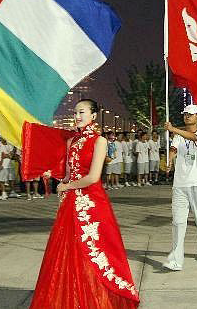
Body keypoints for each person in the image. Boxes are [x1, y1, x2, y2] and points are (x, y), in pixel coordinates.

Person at [30, 99, 139, 308]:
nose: (77, 116)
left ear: (93, 115)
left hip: (92, 202)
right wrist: (54, 176)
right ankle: (70, 296)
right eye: (75, 112)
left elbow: (93, 177)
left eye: (82, 112)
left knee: (96, 249)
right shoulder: (71, 142)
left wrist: (66, 187)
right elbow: (69, 175)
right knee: (67, 250)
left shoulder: (100, 141)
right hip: (71, 201)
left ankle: (96, 296)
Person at [163, 104, 197, 271]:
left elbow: (194, 138)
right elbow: (174, 149)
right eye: (185, 114)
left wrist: (173, 128)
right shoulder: (178, 135)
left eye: (191, 114)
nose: (187, 116)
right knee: (178, 221)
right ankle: (176, 258)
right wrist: (169, 160)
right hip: (180, 183)